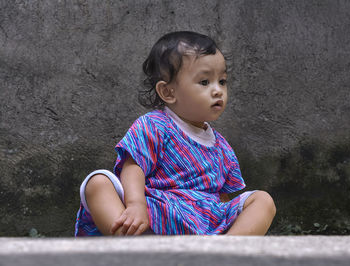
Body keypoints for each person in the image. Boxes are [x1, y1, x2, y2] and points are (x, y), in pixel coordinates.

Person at [74, 31, 276, 236]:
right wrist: (136, 205)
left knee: (263, 200)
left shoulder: (222, 148)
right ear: (168, 92)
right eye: (205, 82)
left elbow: (223, 198)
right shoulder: (155, 125)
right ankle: (138, 248)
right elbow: (133, 166)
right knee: (98, 182)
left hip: (204, 225)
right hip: (155, 214)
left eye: (222, 81)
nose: (218, 90)